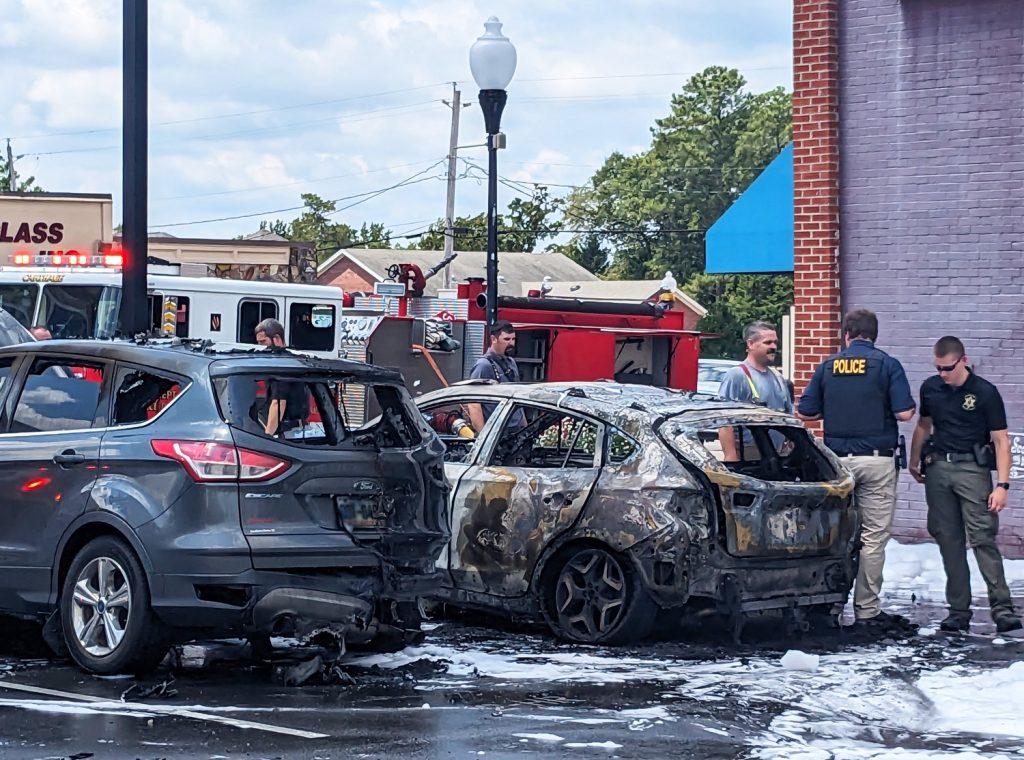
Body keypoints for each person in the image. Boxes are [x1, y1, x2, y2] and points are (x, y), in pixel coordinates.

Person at [797, 309, 916, 627]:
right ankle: (867, 610)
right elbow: (905, 414)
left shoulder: (828, 366)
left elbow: (806, 411)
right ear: (873, 335)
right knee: (873, 538)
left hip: (836, 464)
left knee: (834, 535)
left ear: (846, 334)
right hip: (876, 461)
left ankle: (827, 605)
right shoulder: (887, 365)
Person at [909, 336, 1020, 633]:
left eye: (948, 368)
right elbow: (923, 424)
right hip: (939, 469)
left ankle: (1002, 608)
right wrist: (914, 459)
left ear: (963, 361)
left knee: (983, 537)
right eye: (938, 368)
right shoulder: (931, 387)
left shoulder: (984, 392)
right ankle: (958, 610)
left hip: (972, 469)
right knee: (949, 540)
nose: (943, 374)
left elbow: (1001, 441)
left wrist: (1002, 485)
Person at [718, 320, 793, 460]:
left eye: (775, 342)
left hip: (779, 455)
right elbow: (724, 421)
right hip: (750, 455)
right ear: (750, 344)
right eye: (768, 342)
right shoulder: (737, 375)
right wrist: (731, 457)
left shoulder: (778, 377)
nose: (773, 347)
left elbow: (789, 417)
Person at [254, 317, 309, 436]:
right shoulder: (292, 360)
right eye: (258, 343)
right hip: (297, 430)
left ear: (277, 339)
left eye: (263, 342)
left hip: (289, 432)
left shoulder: (283, 365)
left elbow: (278, 404)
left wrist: (268, 437)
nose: (261, 347)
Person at [467, 321, 520, 433]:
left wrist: (524, 428)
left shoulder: (511, 363)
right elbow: (474, 404)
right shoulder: (483, 365)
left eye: (513, 339)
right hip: (497, 431)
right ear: (494, 339)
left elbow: (519, 398)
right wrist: (483, 437)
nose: (511, 343)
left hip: (515, 430)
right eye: (506, 339)